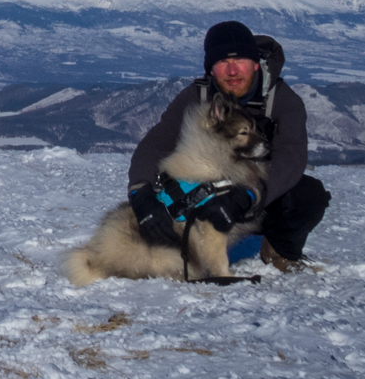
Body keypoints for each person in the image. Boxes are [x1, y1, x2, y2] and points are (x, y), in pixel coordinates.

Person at [126, 19, 330, 271]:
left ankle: (280, 251)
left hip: (257, 199)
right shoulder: (196, 98)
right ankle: (180, 249)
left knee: (308, 196)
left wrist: (248, 195)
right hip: (204, 199)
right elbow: (154, 145)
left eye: (240, 60)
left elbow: (291, 158)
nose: (232, 71)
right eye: (222, 62)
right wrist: (141, 193)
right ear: (211, 69)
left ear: (255, 63)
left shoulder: (282, 100)